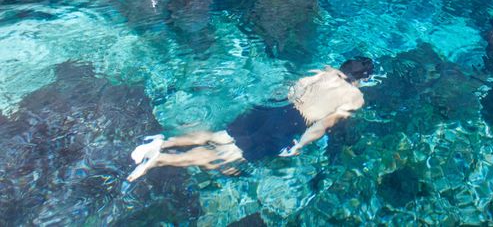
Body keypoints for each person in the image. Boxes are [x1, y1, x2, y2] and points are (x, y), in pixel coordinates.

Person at [127, 57, 374, 182]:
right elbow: (323, 125)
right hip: (291, 123)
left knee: (220, 136)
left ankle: (161, 141)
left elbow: (294, 88)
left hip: (273, 108)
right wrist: (298, 145)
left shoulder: (325, 71)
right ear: (361, 79)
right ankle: (159, 160)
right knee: (222, 158)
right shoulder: (355, 98)